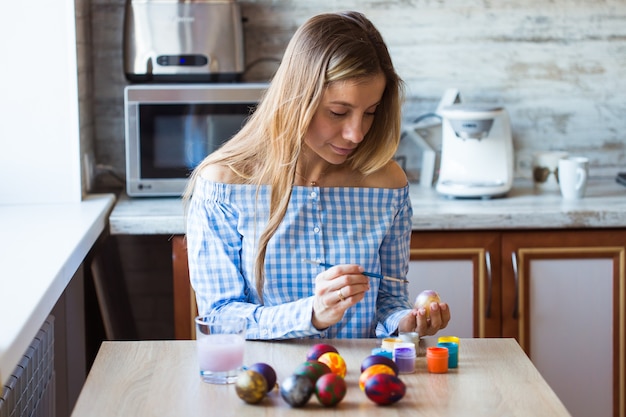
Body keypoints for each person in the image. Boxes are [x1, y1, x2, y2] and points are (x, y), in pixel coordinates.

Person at [184, 10, 450, 340]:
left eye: (369, 113)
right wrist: (312, 314)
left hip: (360, 382)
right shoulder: (224, 185)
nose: (356, 133)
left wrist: (405, 322)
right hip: (261, 381)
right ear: (297, 99)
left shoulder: (387, 187)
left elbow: (388, 303)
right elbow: (218, 317)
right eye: (338, 112)